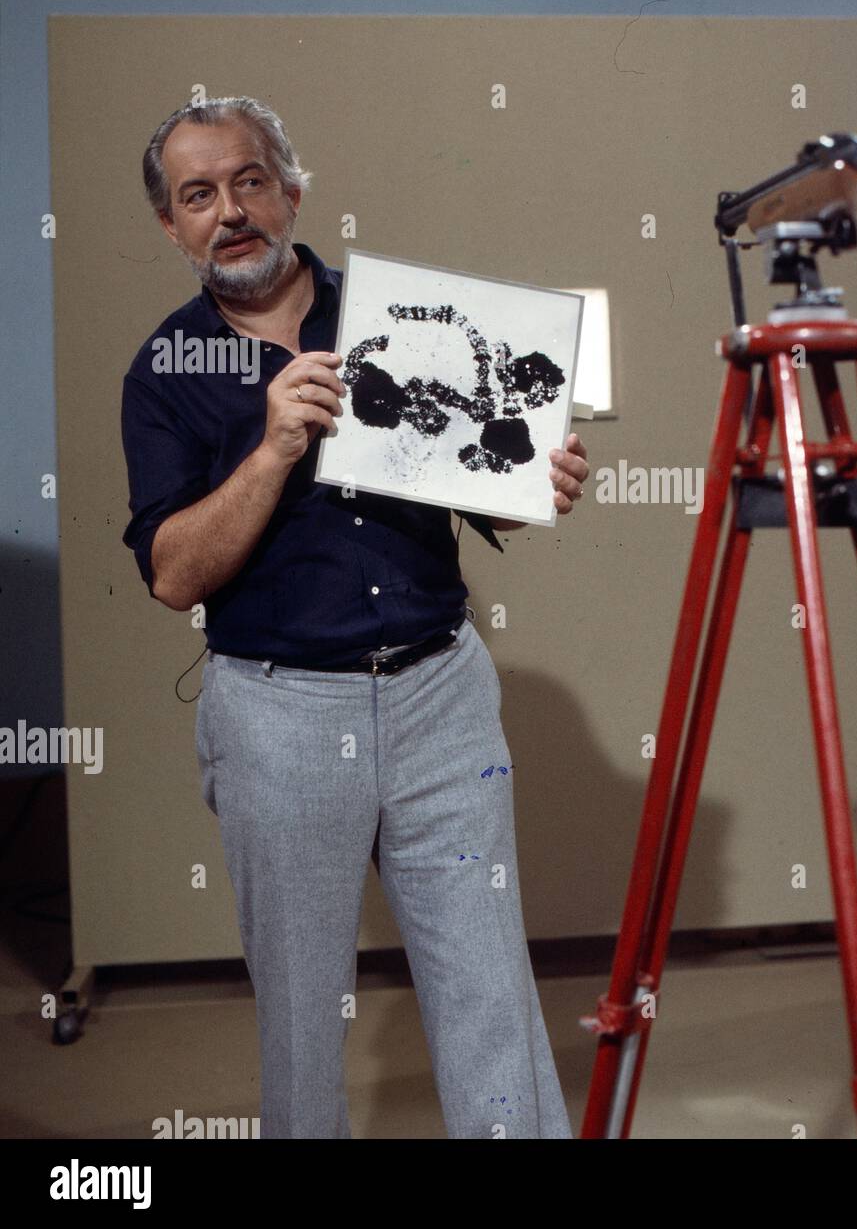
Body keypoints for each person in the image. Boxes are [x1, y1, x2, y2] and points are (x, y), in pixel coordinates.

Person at [121, 95, 586, 1138]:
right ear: (172, 226)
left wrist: (535, 473)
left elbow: (473, 464)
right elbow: (172, 574)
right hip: (278, 716)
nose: (229, 211)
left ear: (292, 188)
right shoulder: (164, 375)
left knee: (490, 994)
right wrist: (275, 445)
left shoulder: (401, 317)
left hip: (439, 692)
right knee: (300, 1019)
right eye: (198, 196)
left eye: (248, 180)